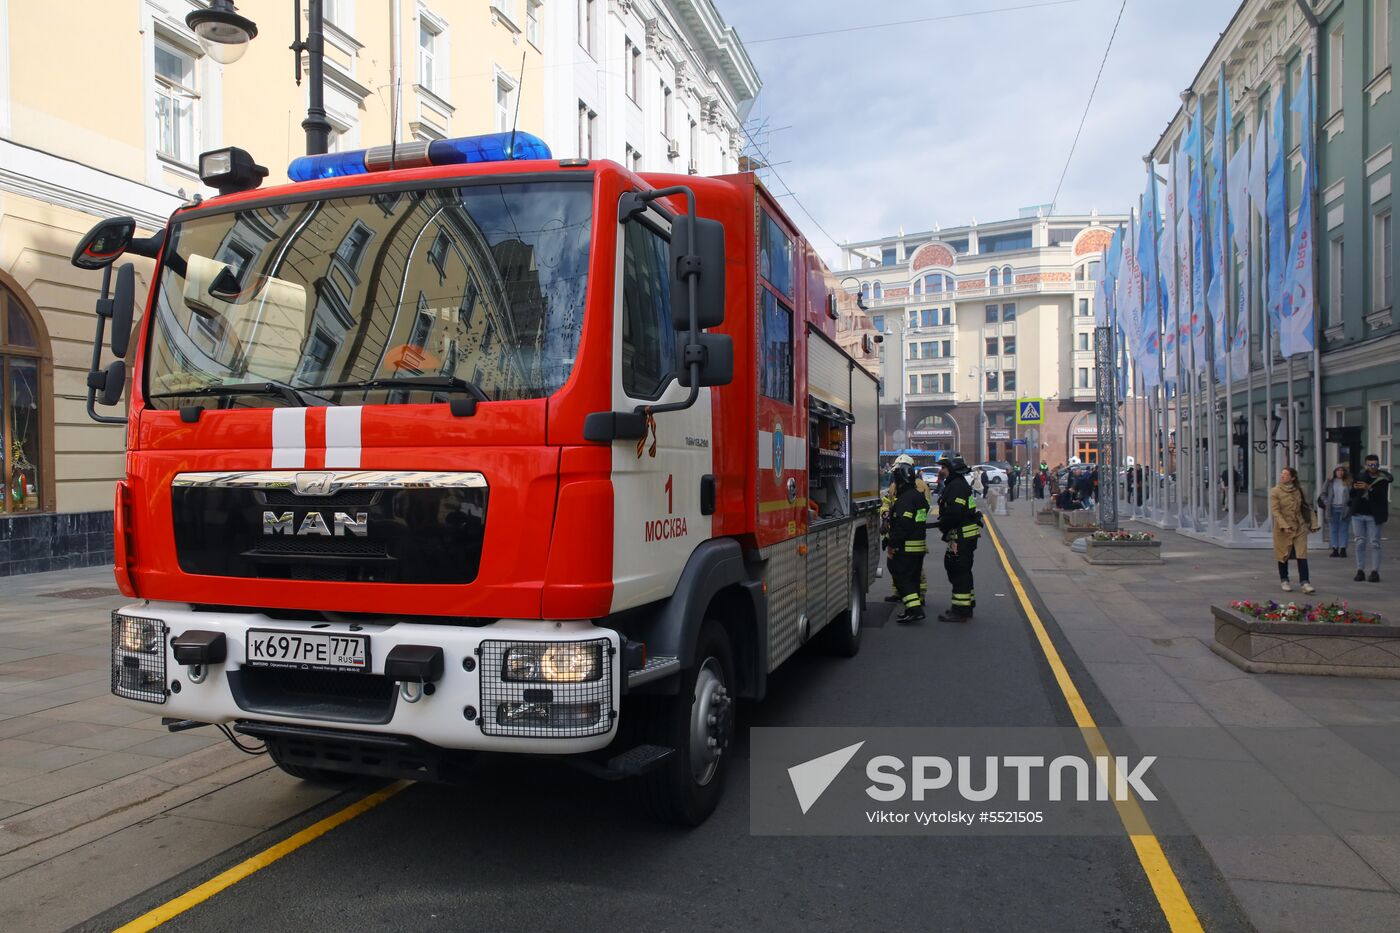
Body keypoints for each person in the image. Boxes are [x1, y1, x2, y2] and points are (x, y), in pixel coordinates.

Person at [934, 456, 982, 623]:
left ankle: (960, 611)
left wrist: (944, 527)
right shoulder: (956, 484)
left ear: (952, 468)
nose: (941, 470)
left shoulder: (957, 487)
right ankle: (967, 605)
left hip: (961, 537)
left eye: (944, 467)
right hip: (962, 536)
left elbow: (955, 513)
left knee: (959, 571)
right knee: (962, 571)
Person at [881, 454, 932, 603]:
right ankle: (898, 592)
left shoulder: (920, 486)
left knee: (914, 568)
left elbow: (923, 508)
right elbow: (886, 501)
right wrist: (885, 512)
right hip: (896, 529)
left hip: (910, 532)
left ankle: (919, 595)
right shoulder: (894, 486)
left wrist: (905, 516)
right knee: (896, 565)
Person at [1269, 466, 1315, 594]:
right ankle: (1284, 580)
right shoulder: (1275, 491)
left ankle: (1305, 582)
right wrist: (1284, 525)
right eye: (1281, 474)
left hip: (1299, 527)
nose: (1282, 476)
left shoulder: (1299, 490)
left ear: (1292, 478)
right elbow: (1275, 511)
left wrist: (1313, 524)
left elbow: (1306, 507)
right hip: (1283, 529)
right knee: (1283, 554)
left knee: (1302, 554)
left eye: (1285, 474)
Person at [1349, 454, 1392, 583]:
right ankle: (1360, 570)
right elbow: (1352, 494)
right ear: (1365, 465)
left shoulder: (1382, 479)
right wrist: (1354, 488)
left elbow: (1381, 496)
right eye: (1370, 465)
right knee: (1360, 542)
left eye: (1374, 465)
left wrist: (1370, 488)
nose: (1372, 467)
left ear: (1378, 465)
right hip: (1358, 514)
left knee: (1375, 543)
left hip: (1374, 515)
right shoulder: (1361, 476)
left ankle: (1374, 571)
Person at [1318, 465, 1351, 557]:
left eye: (1342, 470)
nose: (1340, 472)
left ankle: (1343, 548)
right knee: (1333, 529)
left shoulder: (1348, 482)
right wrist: (1326, 502)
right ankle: (1335, 548)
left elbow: (1352, 494)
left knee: (1344, 529)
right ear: (1335, 472)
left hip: (1344, 508)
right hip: (1332, 508)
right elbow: (1323, 493)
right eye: (1338, 470)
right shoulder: (1330, 482)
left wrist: (1349, 504)